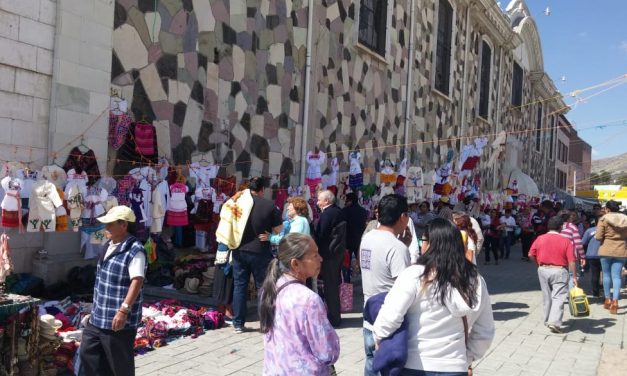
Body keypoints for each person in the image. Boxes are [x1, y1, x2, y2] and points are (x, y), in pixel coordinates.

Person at [372, 218, 495, 375]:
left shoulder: (415, 275)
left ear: (430, 244)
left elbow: (389, 317)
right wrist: (466, 357)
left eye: (423, 240)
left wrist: (378, 340)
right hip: (455, 366)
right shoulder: (475, 280)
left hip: (414, 365)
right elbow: (485, 330)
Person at [260, 233, 340, 375]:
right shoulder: (309, 300)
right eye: (315, 255)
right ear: (295, 264)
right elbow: (327, 352)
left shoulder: (270, 289)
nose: (321, 259)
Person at [80, 206, 146, 376]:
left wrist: (124, 310)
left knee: (119, 366)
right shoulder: (108, 244)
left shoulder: (135, 250)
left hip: (118, 320)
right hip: (98, 316)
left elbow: (137, 280)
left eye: (110, 224)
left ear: (123, 225)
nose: (106, 228)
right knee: (89, 355)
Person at [359, 194, 411, 376]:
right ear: (402, 217)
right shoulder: (397, 249)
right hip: (389, 321)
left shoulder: (367, 238)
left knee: (371, 363)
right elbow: (404, 289)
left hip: (368, 316)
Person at [232, 177, 283, 333]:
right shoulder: (269, 205)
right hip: (260, 250)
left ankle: (238, 323)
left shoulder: (237, 204)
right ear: (262, 190)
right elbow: (279, 229)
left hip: (239, 250)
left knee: (240, 286)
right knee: (263, 287)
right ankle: (266, 323)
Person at [529, 216, 577, 333]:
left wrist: (538, 265)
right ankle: (554, 322)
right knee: (558, 297)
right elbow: (571, 260)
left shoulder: (540, 238)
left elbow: (530, 254)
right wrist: (574, 276)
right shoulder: (566, 241)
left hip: (543, 269)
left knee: (547, 296)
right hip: (559, 270)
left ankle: (546, 319)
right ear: (560, 227)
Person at [314, 190, 347, 327]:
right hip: (335, 254)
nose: (317, 202)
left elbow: (321, 233)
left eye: (319, 200)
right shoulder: (337, 211)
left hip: (329, 254)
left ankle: (334, 317)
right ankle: (334, 315)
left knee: (330, 286)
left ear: (326, 201)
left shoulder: (328, 213)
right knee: (331, 285)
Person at [595, 200, 627, 314]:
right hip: (621, 250)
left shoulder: (603, 219)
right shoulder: (625, 219)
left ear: (607, 209)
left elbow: (598, 237)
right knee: (617, 276)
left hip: (606, 249)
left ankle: (607, 299)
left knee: (606, 275)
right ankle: (615, 302)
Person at [559, 209, 586, 290]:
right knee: (571, 275)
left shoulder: (556, 226)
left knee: (561, 275)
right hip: (571, 255)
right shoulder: (572, 227)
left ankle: (562, 296)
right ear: (569, 217)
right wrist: (582, 256)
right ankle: (571, 297)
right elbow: (578, 243)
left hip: (558, 254)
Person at [342, 192, 368, 271]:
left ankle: (347, 280)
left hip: (347, 240)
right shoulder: (363, 211)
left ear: (350, 201)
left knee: (346, 263)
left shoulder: (345, 211)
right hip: (359, 239)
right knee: (361, 261)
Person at [581, 216, 602, 297]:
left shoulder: (589, 230)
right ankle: (603, 290)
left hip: (591, 254)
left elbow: (583, 242)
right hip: (604, 254)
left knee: (595, 274)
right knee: (605, 273)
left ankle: (595, 293)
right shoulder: (609, 230)